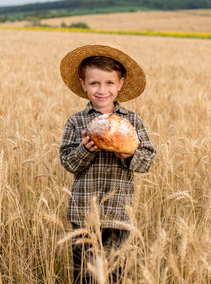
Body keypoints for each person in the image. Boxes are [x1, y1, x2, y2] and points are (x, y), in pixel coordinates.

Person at [59, 42, 157, 283]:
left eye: (109, 83)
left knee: (115, 275)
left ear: (120, 83)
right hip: (83, 214)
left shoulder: (131, 121)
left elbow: (147, 161)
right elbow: (68, 162)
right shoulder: (77, 122)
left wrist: (129, 155)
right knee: (84, 275)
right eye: (94, 83)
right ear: (83, 85)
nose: (102, 90)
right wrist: (85, 150)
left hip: (118, 213)